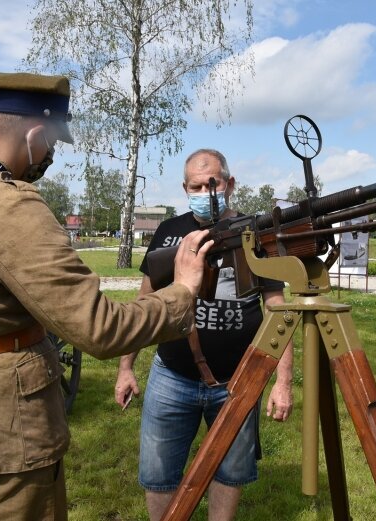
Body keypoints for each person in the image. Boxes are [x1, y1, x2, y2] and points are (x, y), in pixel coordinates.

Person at [0, 72, 213, 521]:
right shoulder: (10, 205)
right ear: (36, 132)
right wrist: (183, 291)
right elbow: (100, 329)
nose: (52, 156)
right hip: (7, 431)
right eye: (54, 143)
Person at [114, 149, 294, 521]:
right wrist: (125, 368)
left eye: (210, 183)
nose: (203, 191)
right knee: (158, 475)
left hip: (238, 379)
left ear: (229, 184)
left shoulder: (254, 233)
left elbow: (278, 310)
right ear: (184, 187)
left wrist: (283, 382)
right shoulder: (167, 233)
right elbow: (144, 301)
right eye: (194, 185)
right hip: (171, 375)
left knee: (229, 472)